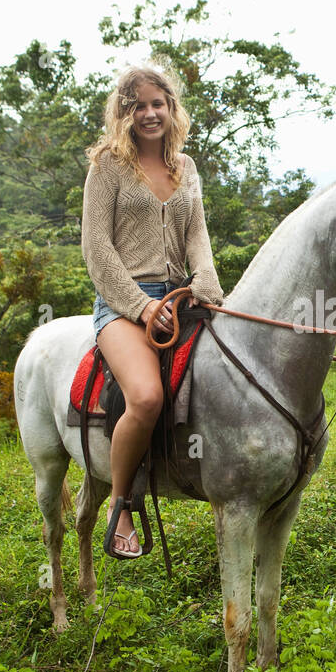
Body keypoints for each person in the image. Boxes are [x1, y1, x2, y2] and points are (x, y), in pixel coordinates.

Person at [81, 67, 225, 558]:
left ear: (171, 108)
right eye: (137, 105)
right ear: (123, 112)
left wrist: (205, 276)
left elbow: (197, 235)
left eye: (157, 103)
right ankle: (120, 504)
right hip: (123, 306)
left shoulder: (186, 167)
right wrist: (141, 307)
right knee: (144, 397)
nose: (149, 113)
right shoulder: (107, 167)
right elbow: (97, 248)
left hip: (183, 297)